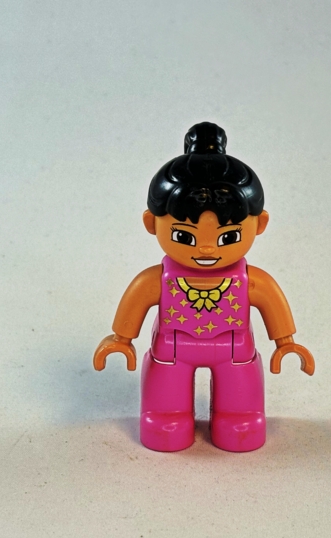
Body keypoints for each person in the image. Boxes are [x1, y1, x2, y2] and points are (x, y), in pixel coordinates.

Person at [93, 122, 313, 452]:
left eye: (228, 236)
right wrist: (121, 339)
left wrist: (285, 343)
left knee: (240, 401)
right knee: (165, 398)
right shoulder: (156, 280)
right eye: (184, 235)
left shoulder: (252, 281)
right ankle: (165, 416)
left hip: (235, 350)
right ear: (152, 223)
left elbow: (271, 303)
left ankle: (239, 417)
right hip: (172, 350)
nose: (207, 249)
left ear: (260, 224)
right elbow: (136, 301)